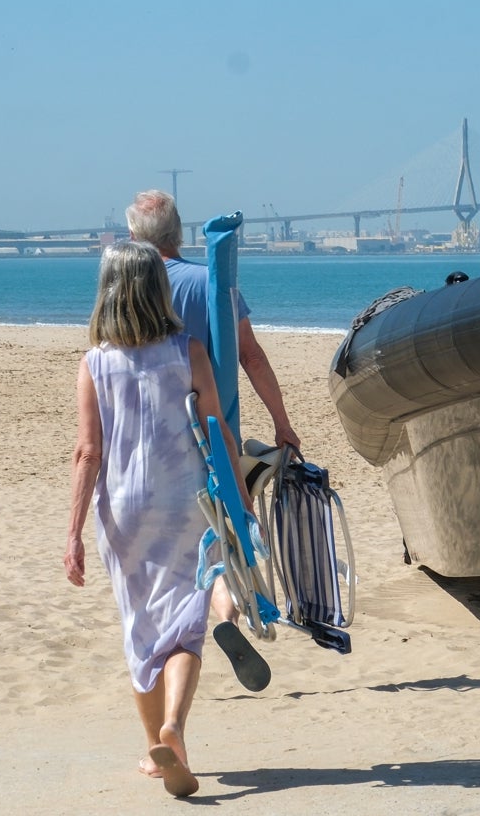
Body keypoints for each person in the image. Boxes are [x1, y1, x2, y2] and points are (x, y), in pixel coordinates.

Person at [64, 241, 253, 798]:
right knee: (185, 626)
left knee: (140, 626)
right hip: (184, 504)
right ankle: (172, 729)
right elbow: (217, 431)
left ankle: (159, 752)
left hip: (122, 509)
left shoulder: (94, 362)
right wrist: (240, 504)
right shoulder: (188, 350)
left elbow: (87, 453)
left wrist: (72, 533)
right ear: (157, 288)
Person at [126, 189, 291, 688]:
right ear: (179, 233)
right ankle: (225, 618)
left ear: (136, 238)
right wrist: (282, 422)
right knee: (215, 540)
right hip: (212, 435)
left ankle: (167, 661)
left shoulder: (130, 291)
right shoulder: (212, 284)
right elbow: (251, 357)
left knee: (166, 558)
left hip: (150, 444)